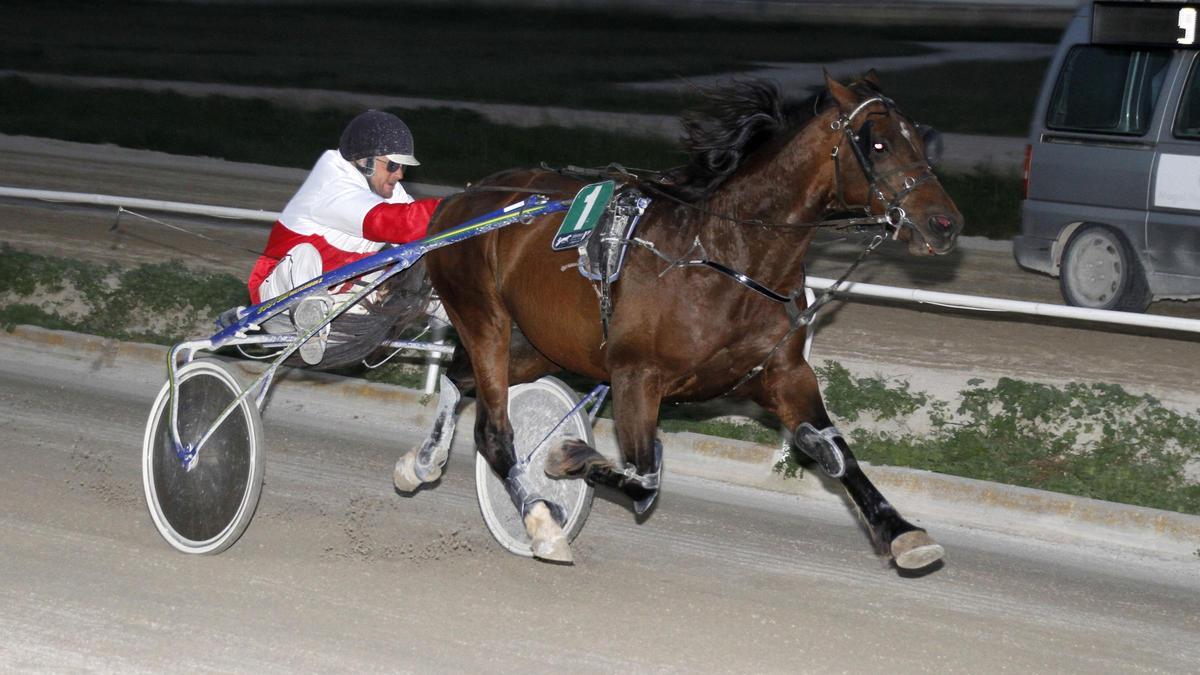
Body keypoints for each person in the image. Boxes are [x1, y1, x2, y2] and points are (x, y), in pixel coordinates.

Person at [247, 109, 442, 308]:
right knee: (305, 254)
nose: (399, 175)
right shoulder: (331, 185)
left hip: (336, 297)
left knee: (407, 260)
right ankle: (310, 321)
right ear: (364, 161)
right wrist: (458, 207)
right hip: (275, 297)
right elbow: (396, 222)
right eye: (392, 165)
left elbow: (422, 228)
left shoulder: (388, 189)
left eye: (403, 167)